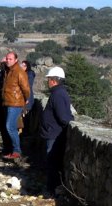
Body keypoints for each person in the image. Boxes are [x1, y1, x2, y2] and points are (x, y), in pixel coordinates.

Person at [39, 66, 73, 196]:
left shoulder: (57, 94)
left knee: (53, 161)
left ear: (54, 80)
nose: (48, 82)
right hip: (53, 132)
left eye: (49, 79)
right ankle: (52, 188)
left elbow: (63, 117)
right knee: (52, 161)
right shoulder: (59, 93)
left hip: (54, 133)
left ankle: (52, 189)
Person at [2, 52, 30, 161]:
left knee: (10, 127)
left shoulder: (19, 72)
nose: (8, 60)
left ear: (16, 60)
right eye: (7, 58)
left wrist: (24, 99)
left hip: (15, 103)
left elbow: (26, 89)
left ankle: (17, 151)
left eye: (10, 59)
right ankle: (13, 150)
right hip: (9, 103)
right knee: (10, 127)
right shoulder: (8, 71)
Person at [21, 60, 36, 136]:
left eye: (23, 65)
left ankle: (24, 134)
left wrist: (26, 98)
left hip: (27, 98)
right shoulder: (23, 73)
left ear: (27, 66)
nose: (22, 67)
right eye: (21, 65)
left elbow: (28, 86)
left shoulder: (29, 74)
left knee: (25, 116)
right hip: (23, 98)